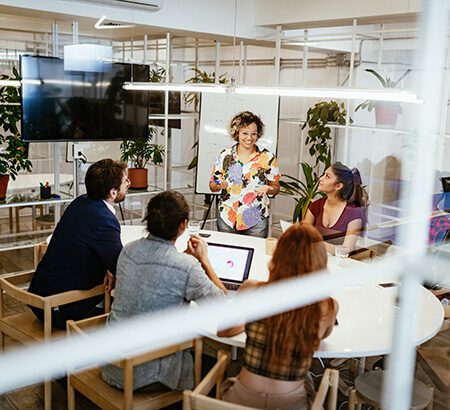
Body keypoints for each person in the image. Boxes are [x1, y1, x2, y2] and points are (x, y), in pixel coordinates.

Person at [101, 190, 227, 391]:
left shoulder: (129, 250)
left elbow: (156, 271)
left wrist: (185, 257)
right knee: (218, 366)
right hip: (145, 374)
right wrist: (204, 260)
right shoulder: (186, 267)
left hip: (111, 364)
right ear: (183, 225)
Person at [218, 223, 338, 410]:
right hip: (290, 403)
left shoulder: (251, 289)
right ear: (320, 260)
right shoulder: (326, 306)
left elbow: (223, 331)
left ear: (278, 255)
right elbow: (320, 337)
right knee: (309, 382)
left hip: (242, 399)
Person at [28, 158, 129, 328]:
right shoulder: (104, 220)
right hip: (59, 308)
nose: (129, 183)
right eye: (125, 180)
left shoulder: (81, 202)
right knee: (130, 309)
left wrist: (109, 270)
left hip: (40, 297)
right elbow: (122, 268)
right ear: (112, 192)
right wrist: (112, 270)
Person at [209, 111, 280, 238]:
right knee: (227, 255)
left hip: (256, 218)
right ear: (237, 133)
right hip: (227, 217)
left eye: (253, 134)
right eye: (245, 133)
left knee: (255, 254)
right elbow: (212, 185)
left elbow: (276, 188)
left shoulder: (267, 157)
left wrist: (268, 189)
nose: (249, 138)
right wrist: (220, 184)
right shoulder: (225, 155)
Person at [304, 162, 367, 254]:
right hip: (316, 260)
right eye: (323, 175)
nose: (320, 178)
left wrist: (315, 243)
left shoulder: (354, 213)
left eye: (327, 176)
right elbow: (302, 234)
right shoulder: (315, 206)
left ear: (338, 186)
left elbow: (346, 250)